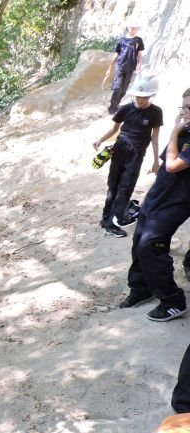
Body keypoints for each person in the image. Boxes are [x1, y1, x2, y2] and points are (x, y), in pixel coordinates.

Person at [118, 88, 190, 322]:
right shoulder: (184, 132)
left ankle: (173, 301)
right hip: (157, 198)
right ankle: (141, 289)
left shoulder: (180, 133)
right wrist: (148, 196)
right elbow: (163, 173)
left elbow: (172, 165)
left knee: (151, 247)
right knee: (138, 242)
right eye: (183, 107)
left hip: (176, 203)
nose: (183, 112)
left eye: (188, 108)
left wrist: (173, 132)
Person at [93, 74, 162, 238]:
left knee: (125, 188)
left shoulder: (156, 112)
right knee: (113, 185)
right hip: (120, 149)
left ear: (151, 95)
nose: (140, 100)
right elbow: (114, 129)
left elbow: (155, 138)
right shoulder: (125, 109)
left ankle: (113, 222)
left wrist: (155, 161)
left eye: (144, 97)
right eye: (138, 96)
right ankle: (107, 221)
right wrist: (100, 140)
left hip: (136, 154)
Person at [105, 19, 144, 115]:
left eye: (135, 28)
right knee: (117, 88)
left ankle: (116, 105)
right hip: (120, 66)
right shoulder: (121, 40)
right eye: (132, 27)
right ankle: (112, 108)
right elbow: (116, 53)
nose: (134, 29)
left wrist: (139, 65)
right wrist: (110, 67)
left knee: (124, 90)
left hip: (130, 68)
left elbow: (139, 54)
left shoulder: (138, 40)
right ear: (128, 28)